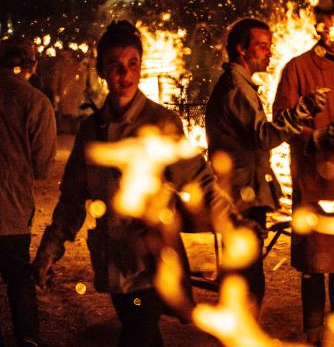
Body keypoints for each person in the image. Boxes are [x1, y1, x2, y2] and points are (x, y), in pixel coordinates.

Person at [33, 21, 239, 347]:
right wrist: (49, 251)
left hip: (153, 264)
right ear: (101, 70)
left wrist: (232, 223)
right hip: (113, 261)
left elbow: (199, 179)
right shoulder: (91, 132)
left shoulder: (161, 122)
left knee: (137, 333)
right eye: (115, 66)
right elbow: (72, 199)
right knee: (141, 330)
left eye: (133, 64)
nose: (125, 75)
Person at [205, 18, 329, 316]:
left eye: (269, 45)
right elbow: (263, 136)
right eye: (262, 46)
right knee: (247, 275)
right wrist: (302, 110)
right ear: (241, 49)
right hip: (240, 196)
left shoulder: (240, 85)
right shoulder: (237, 88)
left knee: (244, 271)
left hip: (240, 192)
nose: (268, 52)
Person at [273, 0, 334, 346]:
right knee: (313, 268)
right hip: (312, 182)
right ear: (317, 25)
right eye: (326, 23)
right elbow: (281, 121)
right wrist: (317, 135)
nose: (332, 30)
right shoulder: (298, 68)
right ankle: (312, 336)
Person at [0, 36, 57, 347]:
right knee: (19, 279)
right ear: (29, 64)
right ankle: (28, 339)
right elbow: (43, 165)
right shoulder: (35, 102)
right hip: (11, 209)